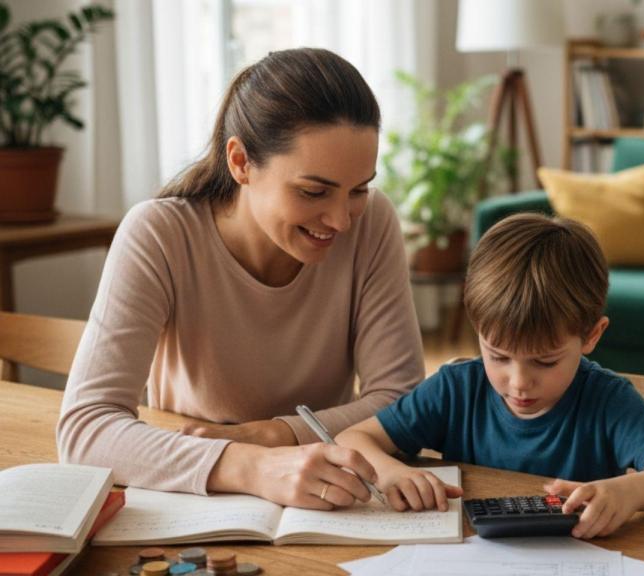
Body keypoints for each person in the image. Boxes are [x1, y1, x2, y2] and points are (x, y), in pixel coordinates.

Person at [57, 48, 425, 510]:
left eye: (359, 189)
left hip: (329, 499)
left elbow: (403, 400)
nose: (342, 220)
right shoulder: (160, 234)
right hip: (192, 495)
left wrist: (274, 434)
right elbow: (85, 428)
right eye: (314, 191)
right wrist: (250, 463)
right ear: (240, 162)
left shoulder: (372, 222)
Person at [337, 213, 644, 539]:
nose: (519, 382)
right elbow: (354, 437)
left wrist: (628, 493)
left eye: (545, 362)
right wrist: (388, 471)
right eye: (498, 356)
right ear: (477, 329)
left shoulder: (607, 401)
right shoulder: (456, 389)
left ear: (592, 335)